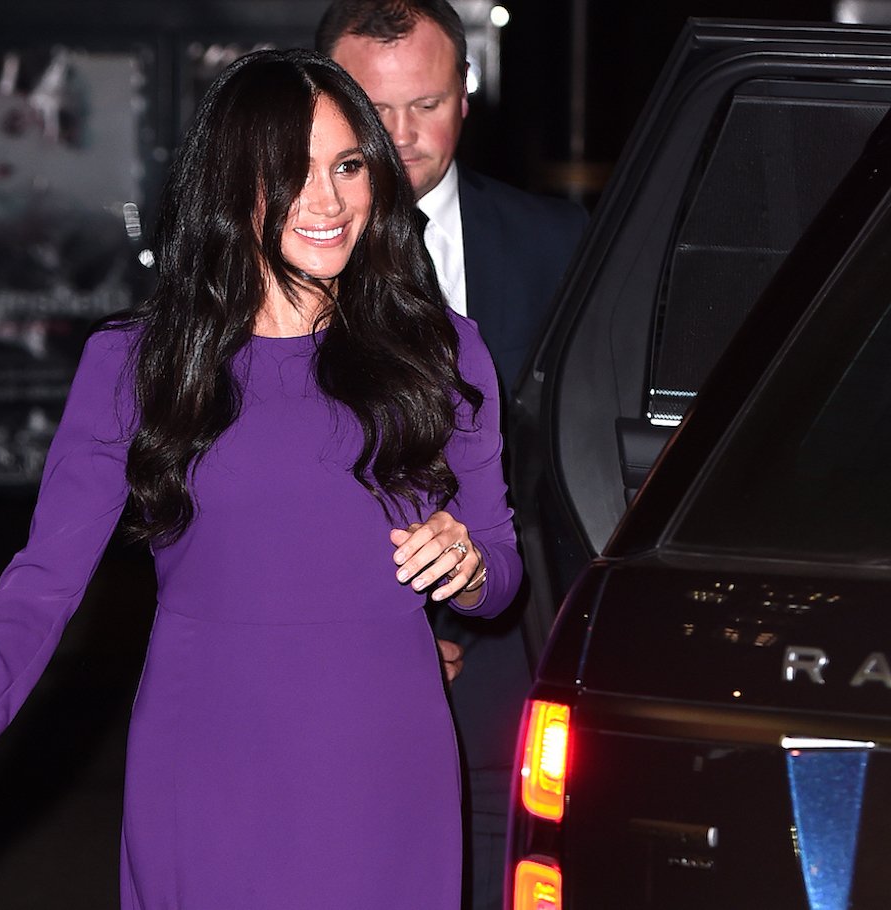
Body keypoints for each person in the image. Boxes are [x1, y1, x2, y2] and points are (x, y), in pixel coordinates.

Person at [0, 48, 522, 908]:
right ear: (230, 186)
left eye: (346, 166)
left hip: (386, 766)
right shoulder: (137, 364)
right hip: (208, 765)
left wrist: (471, 565)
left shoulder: (439, 349)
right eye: (288, 174)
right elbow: (44, 581)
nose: (327, 202)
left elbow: (502, 574)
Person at [316, 3, 587, 908]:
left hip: (510, 643)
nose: (399, 137)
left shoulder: (560, 246)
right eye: (370, 109)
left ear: (469, 94)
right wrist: (374, 628)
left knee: (500, 869)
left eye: (424, 104)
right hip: (326, 650)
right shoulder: (278, 257)